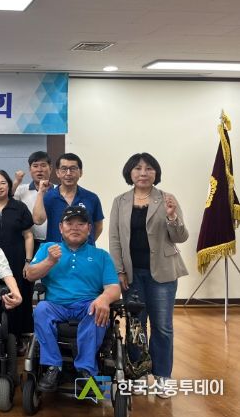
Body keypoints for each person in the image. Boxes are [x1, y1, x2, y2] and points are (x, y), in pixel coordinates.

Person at [109, 152, 188, 398]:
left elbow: (180, 237)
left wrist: (172, 216)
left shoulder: (166, 199)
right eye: (138, 168)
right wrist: (119, 270)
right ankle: (138, 373)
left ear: (156, 173)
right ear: (129, 172)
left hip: (163, 273)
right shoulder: (120, 201)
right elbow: (114, 239)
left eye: (149, 168)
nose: (143, 173)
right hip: (132, 274)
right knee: (136, 326)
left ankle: (163, 376)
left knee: (162, 327)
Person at [26, 206, 120, 392]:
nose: (75, 228)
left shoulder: (101, 256)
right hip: (56, 305)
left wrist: (104, 298)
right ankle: (53, 367)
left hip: (88, 305)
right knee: (41, 309)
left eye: (81, 224)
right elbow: (30, 274)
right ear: (61, 227)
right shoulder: (47, 248)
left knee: (99, 311)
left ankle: (85, 370)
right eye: (69, 223)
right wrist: (50, 261)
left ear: (89, 228)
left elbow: (114, 288)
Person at [0, 170, 35, 338]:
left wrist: (28, 261)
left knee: (17, 295)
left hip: (16, 259)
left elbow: (28, 235)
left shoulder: (20, 207)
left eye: (3, 183)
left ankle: (18, 338)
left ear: (9, 185)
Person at [32, 152, 104, 245]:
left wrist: (84, 243)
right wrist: (40, 192)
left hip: (85, 251)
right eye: (64, 169)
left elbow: (98, 226)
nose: (68, 173)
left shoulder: (91, 198)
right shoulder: (48, 197)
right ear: (57, 173)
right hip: (56, 250)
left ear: (81, 172)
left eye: (73, 169)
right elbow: (38, 220)